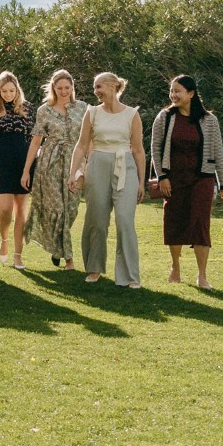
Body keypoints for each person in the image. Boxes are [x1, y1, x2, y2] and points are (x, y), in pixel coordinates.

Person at [147, 74, 223, 289]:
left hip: (202, 178)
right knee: (174, 220)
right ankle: (175, 267)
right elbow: (155, 149)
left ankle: (202, 275)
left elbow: (218, 152)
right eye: (172, 91)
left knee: (200, 223)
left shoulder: (209, 120)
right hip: (173, 179)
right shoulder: (164, 117)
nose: (173, 95)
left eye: (178, 91)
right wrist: (162, 176)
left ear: (191, 94)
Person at [69, 71, 147, 288]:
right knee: (97, 220)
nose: (96, 91)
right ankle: (94, 268)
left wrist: (141, 181)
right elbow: (82, 145)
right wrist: (72, 172)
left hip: (126, 167)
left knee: (124, 220)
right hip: (97, 165)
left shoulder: (132, 114)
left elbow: (139, 150)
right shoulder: (92, 113)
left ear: (113, 86)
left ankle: (129, 276)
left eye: (99, 86)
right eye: (95, 87)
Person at [22, 70, 86, 269]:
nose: (64, 91)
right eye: (60, 88)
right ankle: (68, 258)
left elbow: (88, 139)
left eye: (67, 88)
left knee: (72, 208)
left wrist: (88, 163)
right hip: (50, 163)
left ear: (72, 88)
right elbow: (36, 142)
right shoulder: (44, 110)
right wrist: (26, 171)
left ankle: (57, 246)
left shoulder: (83, 108)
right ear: (53, 89)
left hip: (75, 162)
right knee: (57, 209)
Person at [0, 72, 35, 270]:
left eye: (12, 90)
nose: (8, 94)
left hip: (24, 162)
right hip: (2, 162)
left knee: (21, 212)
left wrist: (29, 168)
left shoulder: (28, 109)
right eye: (4, 91)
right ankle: (4, 238)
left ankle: (18, 256)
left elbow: (35, 139)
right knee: (5, 210)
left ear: (17, 90)